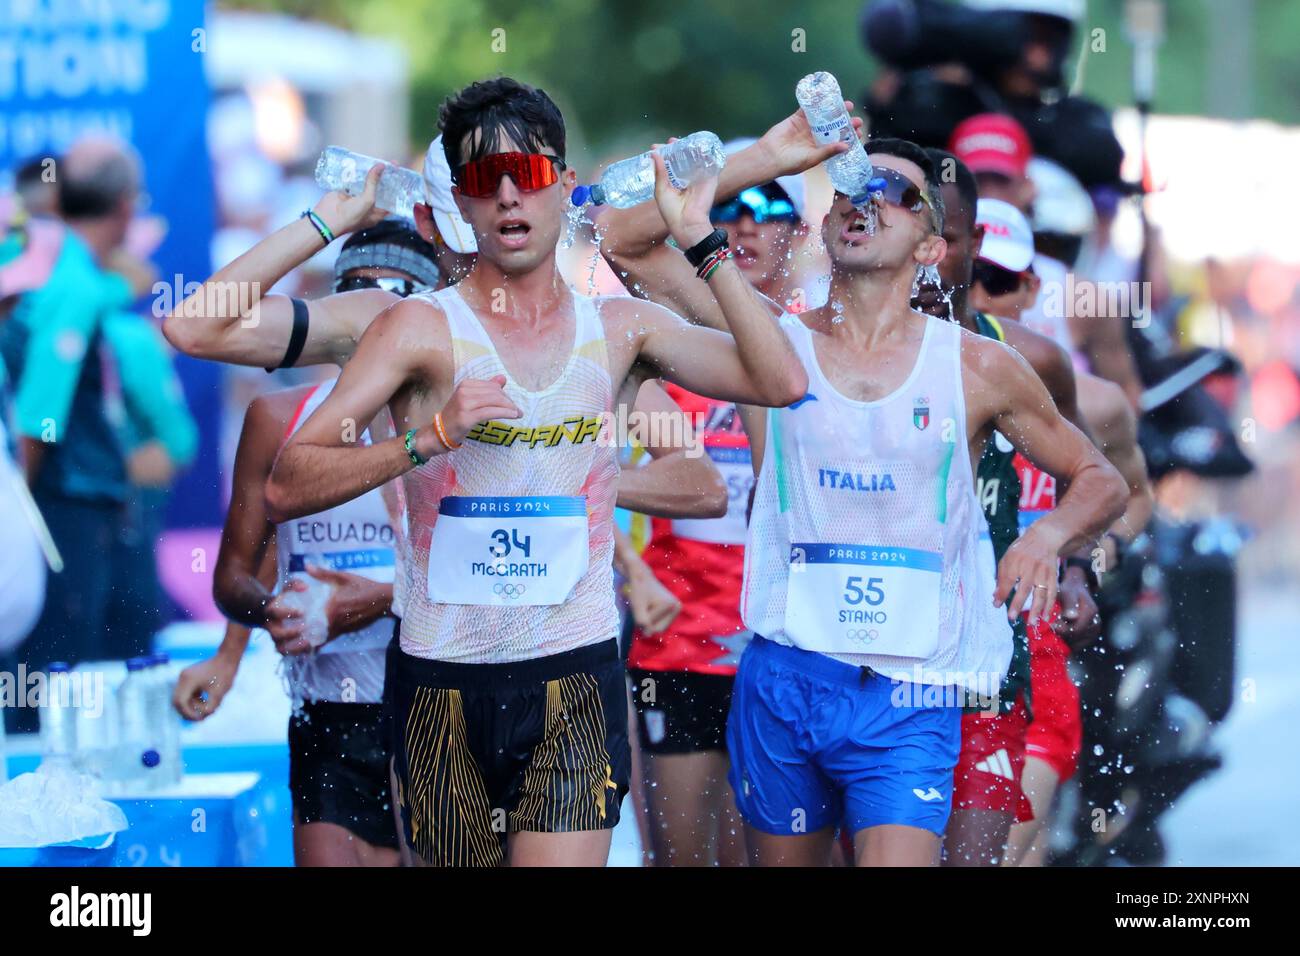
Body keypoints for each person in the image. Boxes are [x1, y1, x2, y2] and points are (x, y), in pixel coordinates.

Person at [260, 77, 815, 867]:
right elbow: (288, 482)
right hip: (442, 684)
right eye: (485, 179)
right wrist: (431, 438)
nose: (509, 196)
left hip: (573, 678)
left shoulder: (621, 329)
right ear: (461, 199)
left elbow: (782, 381)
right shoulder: (417, 329)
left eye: (527, 173)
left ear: (564, 183)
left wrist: (699, 235)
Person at [603, 127, 1128, 866]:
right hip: (786, 677)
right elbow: (622, 241)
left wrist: (1045, 540)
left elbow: (1102, 478)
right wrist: (773, 160)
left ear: (930, 245)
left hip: (912, 690)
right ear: (825, 224)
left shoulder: (979, 367)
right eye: (852, 188)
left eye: (896, 193)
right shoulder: (773, 347)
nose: (866, 201)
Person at [618, 158, 810, 867]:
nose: (746, 228)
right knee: (679, 859)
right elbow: (573, 468)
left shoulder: (816, 347)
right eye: (729, 211)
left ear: (801, 232)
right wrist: (634, 570)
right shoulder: (666, 353)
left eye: (769, 211)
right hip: (679, 643)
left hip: (789, 646)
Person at [0, 137, 151, 718]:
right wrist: (18, 512)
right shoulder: (72, 282)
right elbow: (40, 416)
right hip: (58, 504)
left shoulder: (68, 270)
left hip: (64, 497)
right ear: (126, 206)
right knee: (48, 689)